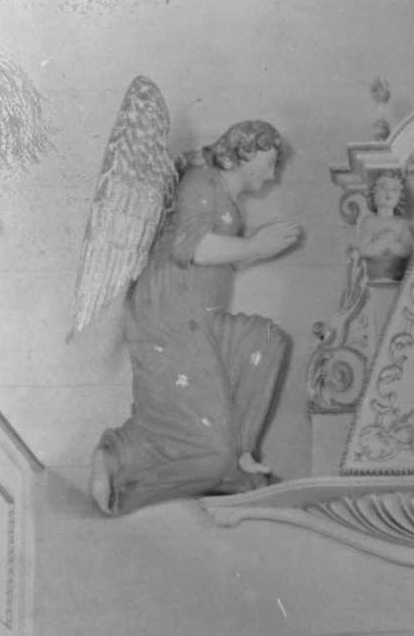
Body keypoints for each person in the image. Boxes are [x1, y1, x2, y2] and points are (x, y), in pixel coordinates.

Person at [89, 119, 302, 516]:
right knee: (205, 448)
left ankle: (240, 452)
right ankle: (115, 459)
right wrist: (255, 245)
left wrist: (257, 249)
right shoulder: (202, 181)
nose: (271, 176)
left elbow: (221, 260)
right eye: (269, 163)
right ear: (245, 153)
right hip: (171, 311)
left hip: (202, 314)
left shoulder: (223, 196)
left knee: (265, 341)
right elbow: (192, 247)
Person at [356, 170, 414, 280]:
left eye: (394, 189)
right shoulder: (369, 221)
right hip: (373, 276)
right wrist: (384, 240)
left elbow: (407, 251)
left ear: (400, 196)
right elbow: (364, 250)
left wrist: (390, 243)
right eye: (383, 187)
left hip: (396, 276)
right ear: (373, 193)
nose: (388, 192)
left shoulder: (402, 224)